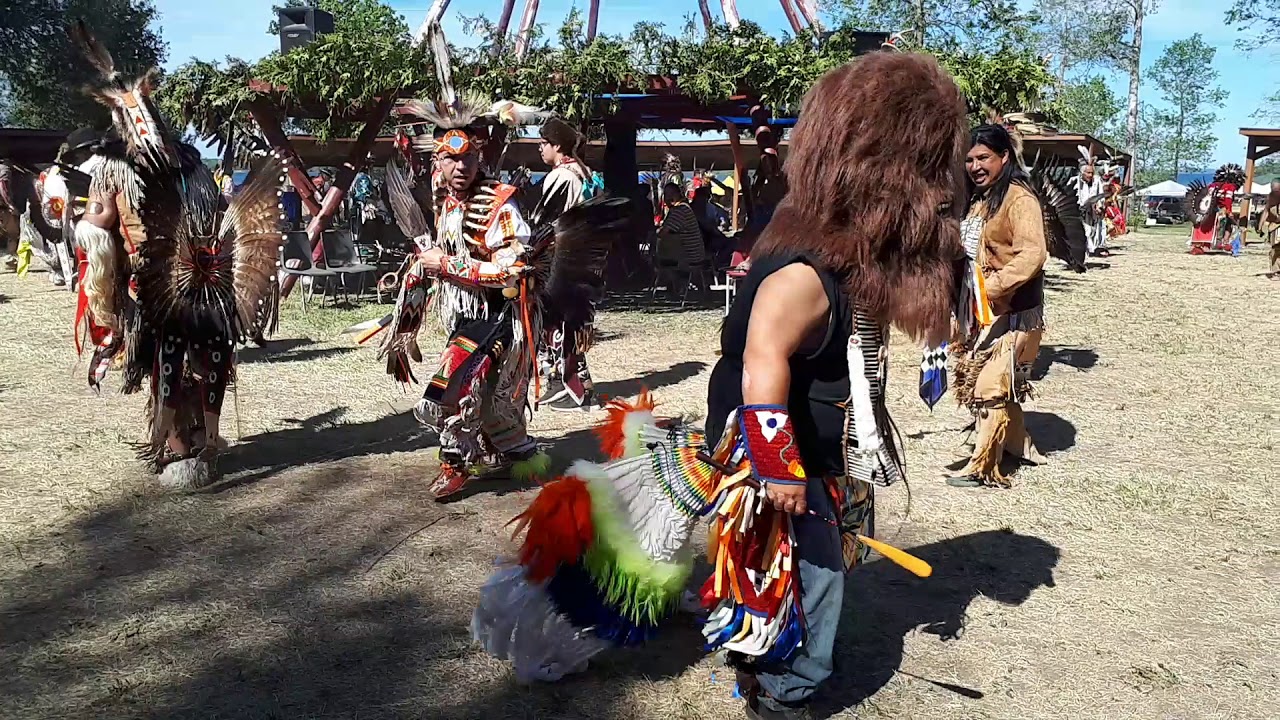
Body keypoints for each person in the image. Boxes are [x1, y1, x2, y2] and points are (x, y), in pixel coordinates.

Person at [947, 124, 1049, 488]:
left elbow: (1033, 253)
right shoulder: (980, 199)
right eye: (970, 159)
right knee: (986, 381)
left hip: (1016, 311)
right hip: (982, 310)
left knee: (990, 386)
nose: (975, 166)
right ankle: (1021, 447)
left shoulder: (1019, 200)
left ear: (1004, 157)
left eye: (984, 158)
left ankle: (983, 468)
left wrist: (990, 287)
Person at [532, 117, 603, 412]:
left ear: (557, 146)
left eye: (543, 143)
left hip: (562, 260)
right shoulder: (586, 174)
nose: (539, 148)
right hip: (585, 257)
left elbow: (550, 223)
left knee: (560, 323)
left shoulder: (561, 177)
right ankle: (559, 380)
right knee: (569, 322)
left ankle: (574, 387)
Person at [655, 182, 706, 290]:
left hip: (689, 257)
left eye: (665, 195)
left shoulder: (679, 210)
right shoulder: (684, 207)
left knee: (655, 256)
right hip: (694, 253)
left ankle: (672, 286)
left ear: (672, 196)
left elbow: (663, 233)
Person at [1075, 160, 1107, 257]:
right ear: (1082, 172)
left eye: (1092, 173)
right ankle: (1083, 252)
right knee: (1084, 231)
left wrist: (1099, 206)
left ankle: (1089, 250)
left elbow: (1100, 195)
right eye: (1088, 173)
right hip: (1077, 210)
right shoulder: (1075, 181)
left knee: (1092, 230)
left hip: (1091, 211)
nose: (1090, 175)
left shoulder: (1097, 181)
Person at [1262, 180, 1280, 279]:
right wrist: (1260, 226)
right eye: (1274, 189)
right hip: (1275, 226)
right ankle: (1276, 271)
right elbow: (1266, 211)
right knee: (1275, 249)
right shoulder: (1271, 198)